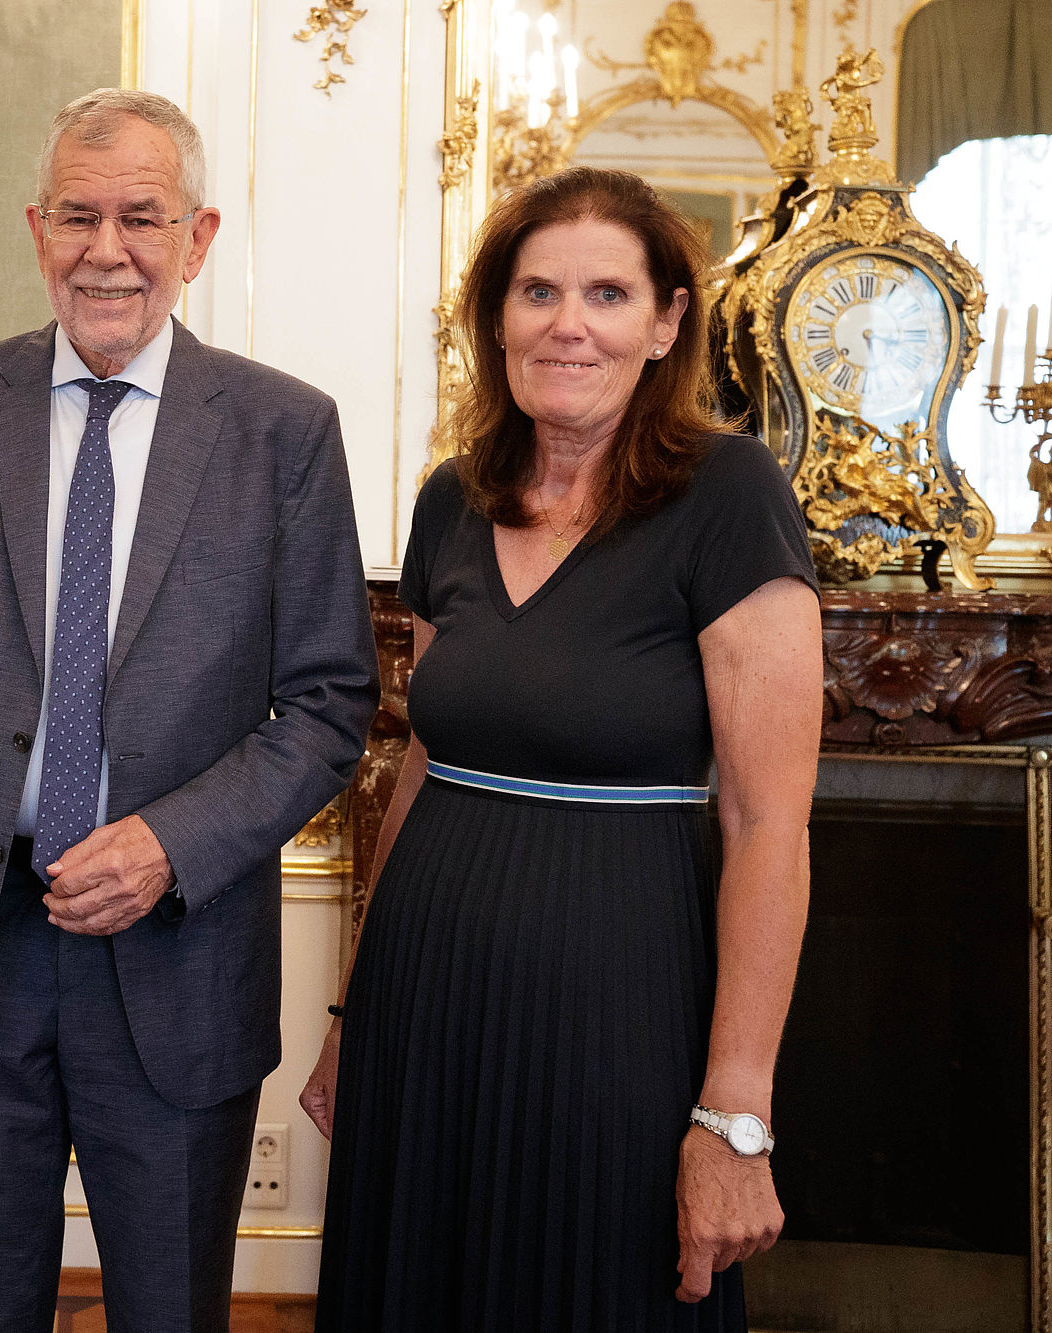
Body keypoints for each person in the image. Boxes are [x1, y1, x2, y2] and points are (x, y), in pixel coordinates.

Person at [0, 88, 379, 1332]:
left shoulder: (282, 431)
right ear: (36, 231)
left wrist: (166, 844)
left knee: (168, 1307)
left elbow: (328, 704)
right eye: (77, 216)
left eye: (141, 216)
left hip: (178, 949)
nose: (106, 249)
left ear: (198, 238)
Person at [303, 166, 822, 1330]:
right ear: (496, 319)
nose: (565, 324)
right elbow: (420, 765)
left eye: (605, 294)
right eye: (536, 291)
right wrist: (349, 1015)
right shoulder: (451, 498)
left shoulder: (727, 494)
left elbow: (766, 826)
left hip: (618, 999)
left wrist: (734, 1116)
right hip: (423, 996)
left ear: (665, 323)